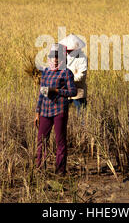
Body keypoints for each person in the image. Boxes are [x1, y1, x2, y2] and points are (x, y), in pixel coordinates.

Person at [35, 43, 77, 175]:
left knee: (60, 141)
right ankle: (40, 168)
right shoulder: (46, 72)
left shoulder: (66, 73)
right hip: (45, 111)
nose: (55, 59)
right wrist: (37, 112)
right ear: (49, 57)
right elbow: (41, 93)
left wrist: (57, 90)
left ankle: (60, 171)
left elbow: (73, 92)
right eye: (53, 56)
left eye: (58, 56)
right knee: (41, 140)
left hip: (59, 110)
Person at [59, 35, 88, 118]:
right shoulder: (63, 58)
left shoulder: (82, 58)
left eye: (69, 50)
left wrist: (67, 79)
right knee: (63, 116)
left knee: (81, 116)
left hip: (78, 91)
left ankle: (82, 130)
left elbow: (81, 76)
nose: (67, 51)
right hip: (65, 91)